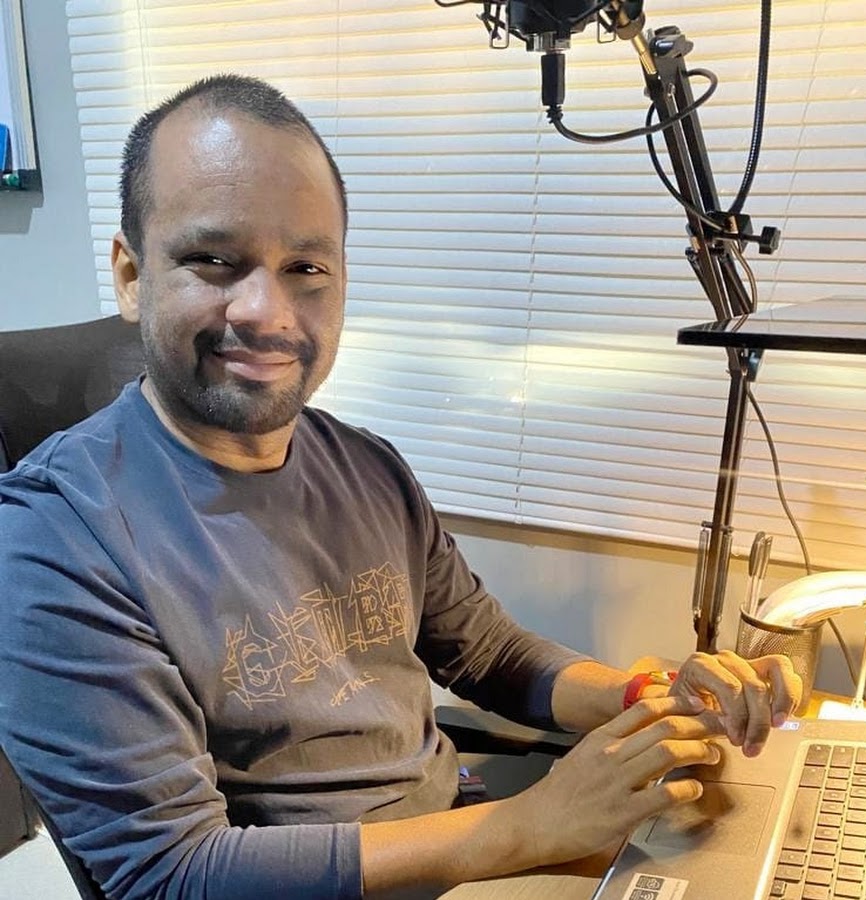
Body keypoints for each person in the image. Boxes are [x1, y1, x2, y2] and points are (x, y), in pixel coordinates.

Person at [0, 74, 801, 900]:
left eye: (306, 266)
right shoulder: (53, 541)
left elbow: (490, 654)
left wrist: (648, 696)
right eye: (213, 260)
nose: (268, 311)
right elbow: (170, 874)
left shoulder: (367, 466)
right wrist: (523, 828)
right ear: (132, 275)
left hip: (466, 849)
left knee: (753, 852)